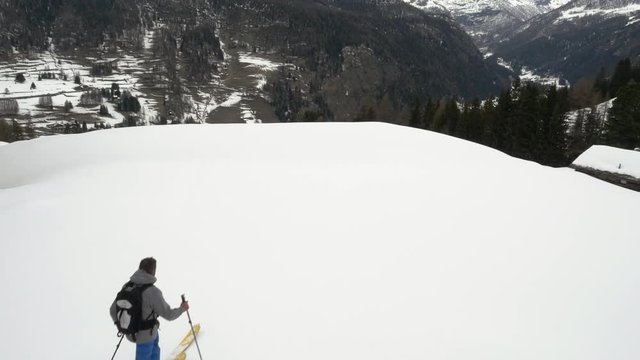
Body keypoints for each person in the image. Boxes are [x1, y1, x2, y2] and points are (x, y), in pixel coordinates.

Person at [110, 257, 189, 360]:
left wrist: (122, 325)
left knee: (155, 346)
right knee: (147, 351)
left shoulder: (127, 286)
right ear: (153, 271)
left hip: (134, 332)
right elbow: (169, 315)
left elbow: (112, 310)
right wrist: (182, 308)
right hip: (145, 336)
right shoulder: (153, 292)